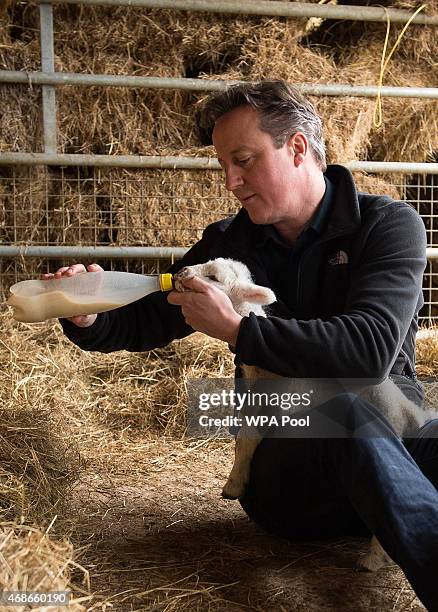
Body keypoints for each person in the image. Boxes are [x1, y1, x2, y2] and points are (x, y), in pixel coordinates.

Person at [45, 81, 438, 609]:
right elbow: (142, 322)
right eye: (224, 166)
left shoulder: (386, 226)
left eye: (244, 160)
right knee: (339, 411)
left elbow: (368, 351)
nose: (231, 181)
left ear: (297, 148)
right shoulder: (230, 243)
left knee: (392, 411)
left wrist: (239, 330)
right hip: (294, 479)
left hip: (396, 438)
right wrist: (89, 315)